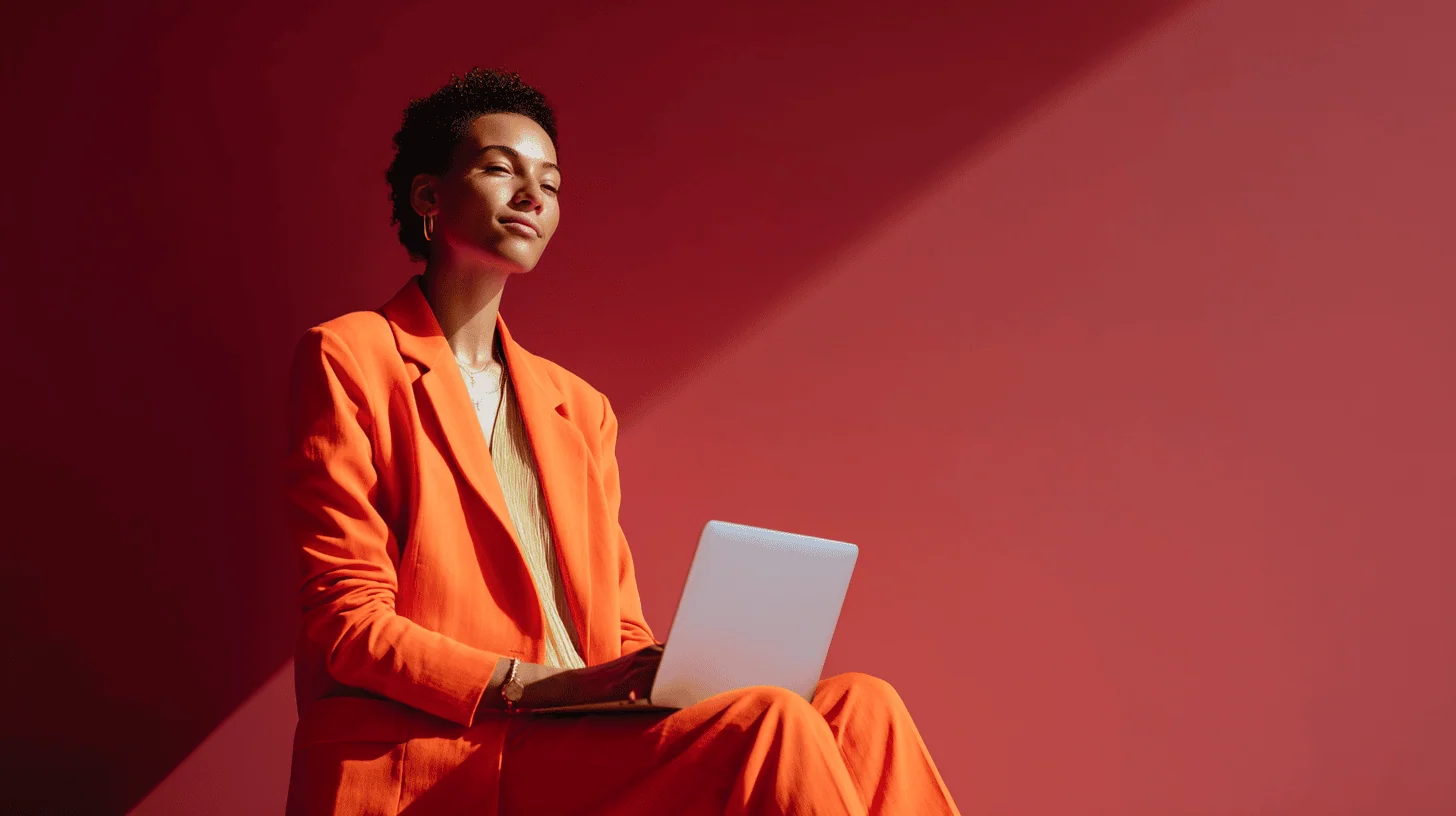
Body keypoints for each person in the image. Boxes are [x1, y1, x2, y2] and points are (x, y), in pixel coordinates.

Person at [283, 67, 961, 816]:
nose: (532, 196)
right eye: (500, 170)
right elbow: (346, 624)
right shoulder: (351, 356)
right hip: (461, 743)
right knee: (770, 724)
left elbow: (616, 624)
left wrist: (661, 673)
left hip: (582, 732)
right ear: (429, 200)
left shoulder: (578, 408)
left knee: (864, 705)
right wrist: (535, 682)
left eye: (550, 181)